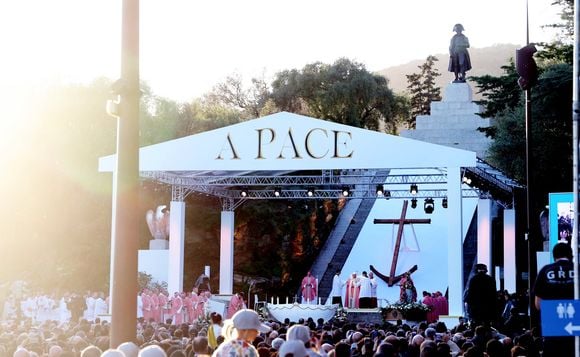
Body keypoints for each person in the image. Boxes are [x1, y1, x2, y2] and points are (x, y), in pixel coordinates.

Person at [533, 242, 574, 355]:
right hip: (576, 324)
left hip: (552, 326)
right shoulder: (578, 269)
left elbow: (538, 304)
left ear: (554, 256)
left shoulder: (545, 270)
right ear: (571, 255)